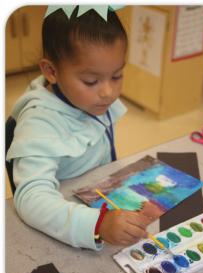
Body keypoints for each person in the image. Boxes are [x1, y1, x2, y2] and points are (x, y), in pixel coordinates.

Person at [6, 5, 149, 251]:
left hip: (99, 195)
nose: (108, 92)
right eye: (91, 81)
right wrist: (97, 224)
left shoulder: (90, 99)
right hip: (68, 222)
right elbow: (31, 200)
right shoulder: (39, 123)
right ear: (51, 71)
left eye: (116, 76)